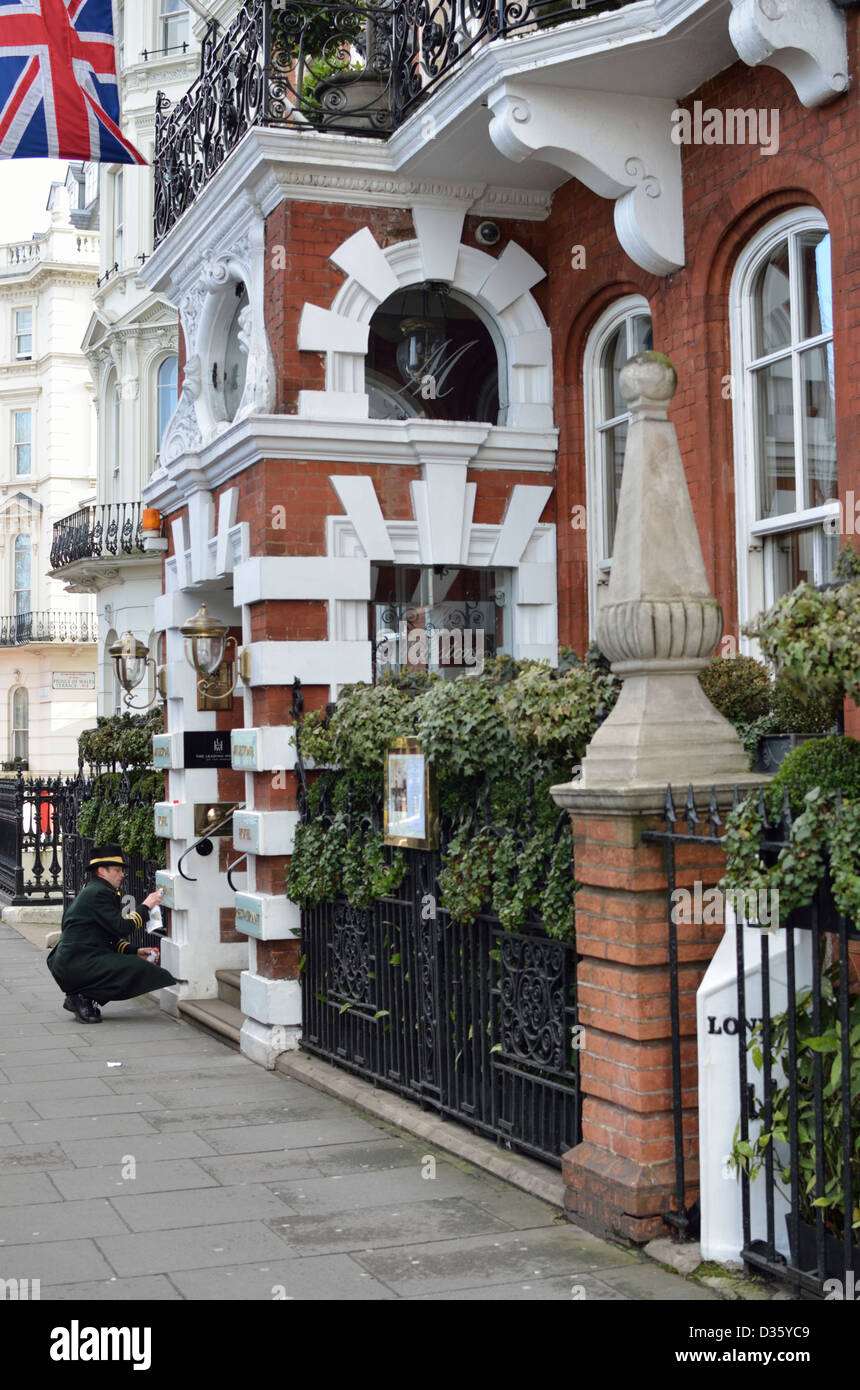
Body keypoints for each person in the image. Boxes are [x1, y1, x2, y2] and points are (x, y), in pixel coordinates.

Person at [47, 844, 184, 1023]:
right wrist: (146, 906)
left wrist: (135, 950)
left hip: (74, 961)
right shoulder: (98, 893)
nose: (122, 874)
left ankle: (82, 997)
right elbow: (122, 927)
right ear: (102, 871)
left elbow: (108, 938)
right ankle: (80, 997)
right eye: (117, 870)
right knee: (135, 968)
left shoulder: (98, 890)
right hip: (75, 964)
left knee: (132, 964)